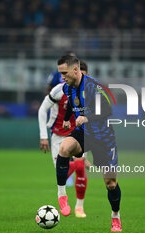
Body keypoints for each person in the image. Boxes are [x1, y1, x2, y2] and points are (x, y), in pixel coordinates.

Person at [55, 55, 122, 232]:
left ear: (75, 70)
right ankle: (62, 195)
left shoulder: (93, 86)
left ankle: (115, 217)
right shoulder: (67, 88)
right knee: (64, 148)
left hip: (104, 137)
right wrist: (69, 118)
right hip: (84, 133)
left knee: (111, 184)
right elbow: (71, 104)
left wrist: (87, 117)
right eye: (60, 73)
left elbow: (107, 109)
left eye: (64, 73)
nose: (62, 77)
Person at [38, 61, 89, 218]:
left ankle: (79, 207)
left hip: (79, 134)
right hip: (58, 134)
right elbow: (42, 110)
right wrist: (43, 136)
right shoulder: (59, 90)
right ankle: (66, 188)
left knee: (80, 169)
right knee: (62, 170)